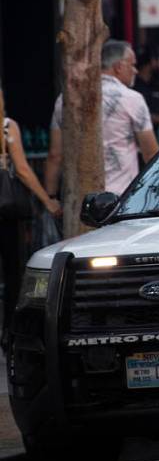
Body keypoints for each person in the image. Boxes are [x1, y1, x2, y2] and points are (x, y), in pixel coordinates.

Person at [44, 40, 159, 199]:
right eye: (132, 65)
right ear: (119, 66)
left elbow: (55, 154)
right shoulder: (132, 99)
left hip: (77, 199)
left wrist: (50, 198)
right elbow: (151, 153)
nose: (135, 71)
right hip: (120, 199)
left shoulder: (65, 99)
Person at [1, 88, 61, 347]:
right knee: (13, 268)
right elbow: (23, 170)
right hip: (5, 210)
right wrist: (47, 200)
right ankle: (8, 331)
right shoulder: (5, 127)